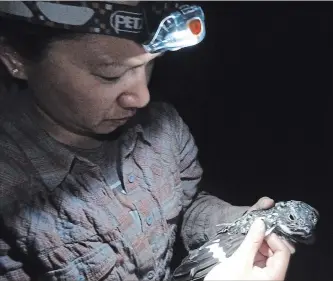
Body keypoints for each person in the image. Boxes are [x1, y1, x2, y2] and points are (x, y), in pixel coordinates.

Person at [0, 1, 293, 280]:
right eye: (110, 74)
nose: (142, 98)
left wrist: (237, 225)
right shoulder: (8, 190)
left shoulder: (164, 126)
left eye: (150, 64)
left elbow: (186, 207)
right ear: (15, 60)